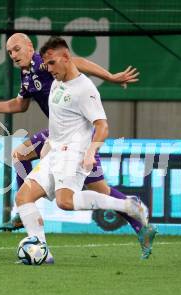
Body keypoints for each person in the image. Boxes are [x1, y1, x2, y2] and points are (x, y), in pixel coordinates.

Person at [0, 33, 143, 235]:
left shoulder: (43, 63)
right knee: (20, 155)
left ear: (30, 47)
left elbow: (78, 62)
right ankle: (23, 210)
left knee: (99, 190)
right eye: (9, 52)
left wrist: (110, 77)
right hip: (57, 135)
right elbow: (20, 105)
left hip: (76, 136)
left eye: (17, 49)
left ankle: (133, 213)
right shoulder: (26, 73)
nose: (13, 55)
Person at [15, 37, 156, 262]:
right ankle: (42, 251)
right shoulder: (53, 74)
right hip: (55, 150)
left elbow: (102, 126)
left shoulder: (85, 90)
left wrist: (90, 152)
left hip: (74, 153)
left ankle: (129, 206)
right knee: (23, 196)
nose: (48, 68)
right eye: (46, 64)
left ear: (65, 59)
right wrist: (48, 146)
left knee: (65, 202)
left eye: (51, 63)